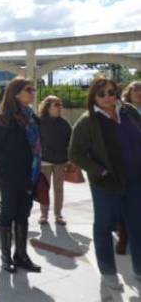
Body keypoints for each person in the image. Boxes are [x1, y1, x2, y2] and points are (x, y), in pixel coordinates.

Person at [69, 77, 141, 290]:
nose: (108, 97)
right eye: (102, 94)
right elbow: (75, 154)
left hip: (135, 179)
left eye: (111, 92)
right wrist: (100, 171)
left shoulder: (128, 111)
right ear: (93, 96)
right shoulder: (87, 121)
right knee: (104, 226)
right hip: (106, 184)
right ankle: (108, 272)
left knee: (137, 226)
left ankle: (139, 269)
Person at [0, 77, 42, 274]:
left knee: (23, 214)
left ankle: (21, 255)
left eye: (34, 89)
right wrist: (10, 166)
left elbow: (37, 147)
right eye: (29, 89)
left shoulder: (32, 117)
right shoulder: (4, 118)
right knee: (8, 212)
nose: (33, 93)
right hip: (10, 176)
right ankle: (6, 257)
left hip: (30, 175)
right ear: (16, 93)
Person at [115, 80, 141, 255]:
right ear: (129, 93)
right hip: (126, 163)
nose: (139, 93)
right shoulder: (123, 110)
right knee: (126, 201)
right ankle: (123, 238)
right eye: (136, 90)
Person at [38, 95, 72, 226]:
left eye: (60, 104)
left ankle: (58, 215)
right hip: (44, 161)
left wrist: (70, 159)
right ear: (48, 107)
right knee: (44, 189)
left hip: (60, 161)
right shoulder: (39, 122)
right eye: (56, 104)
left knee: (59, 189)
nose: (59, 107)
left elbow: (71, 142)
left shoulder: (64, 123)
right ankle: (43, 215)